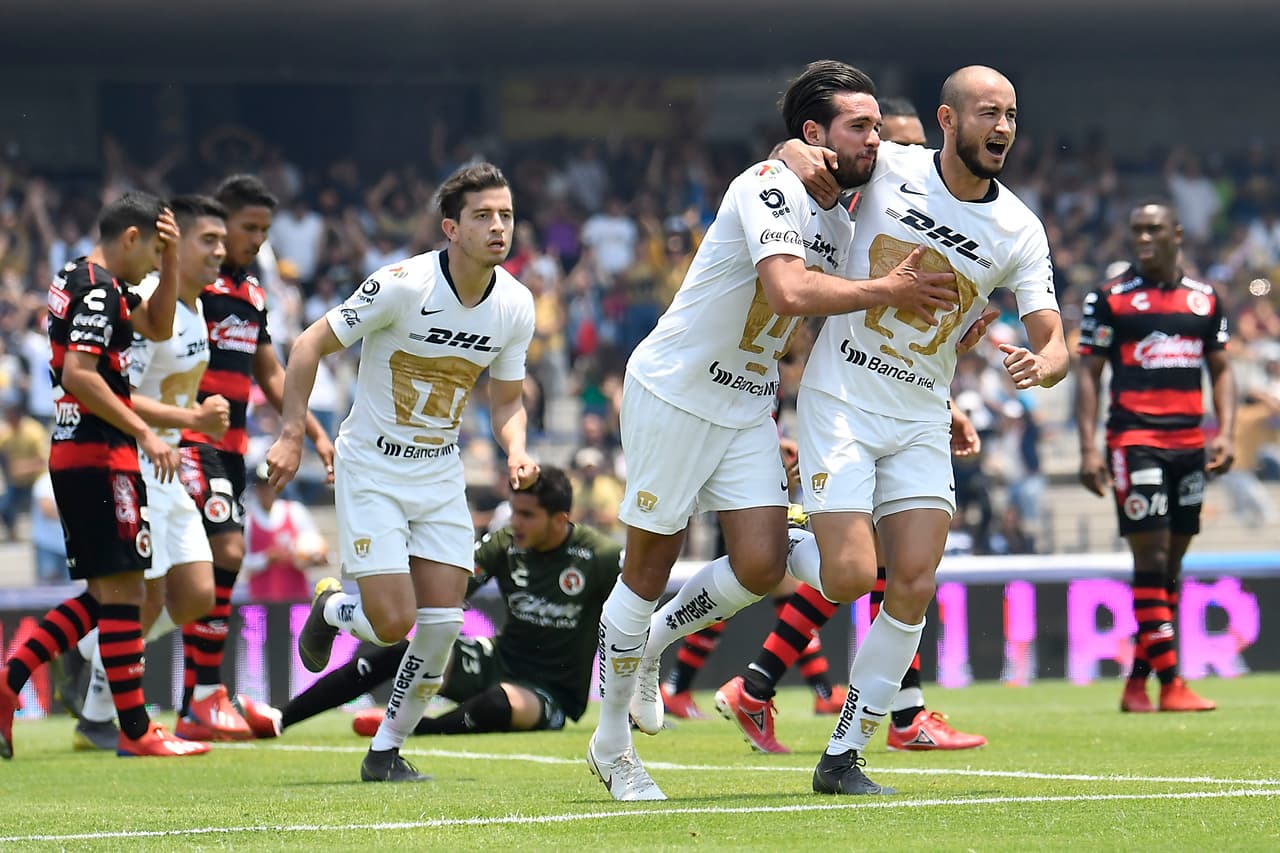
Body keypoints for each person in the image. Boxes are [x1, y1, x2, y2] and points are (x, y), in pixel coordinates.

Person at [588, 60, 960, 802]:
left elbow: (829, 325)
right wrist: (884, 284)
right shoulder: (765, 182)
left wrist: (932, 395)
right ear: (813, 133)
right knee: (648, 565)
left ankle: (656, 641)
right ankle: (611, 746)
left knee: (762, 565)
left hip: (749, 402)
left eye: (878, 128)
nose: (874, 140)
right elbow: (789, 291)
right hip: (676, 390)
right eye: (860, 126)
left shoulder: (844, 217)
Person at [773, 64, 1068, 795]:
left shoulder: (1018, 228)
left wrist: (1047, 363)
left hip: (920, 416)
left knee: (912, 580)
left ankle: (844, 755)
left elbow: (1054, 334)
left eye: (1011, 114)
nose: (1002, 127)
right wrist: (789, 155)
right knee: (847, 575)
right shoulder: (890, 167)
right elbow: (796, 156)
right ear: (947, 119)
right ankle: (762, 547)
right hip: (843, 395)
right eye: (987, 113)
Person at [712, 96, 988, 755]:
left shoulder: (912, 219)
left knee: (885, 565)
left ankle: (762, 686)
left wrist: (940, 390)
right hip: (838, 405)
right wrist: (785, 153)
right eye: (896, 145)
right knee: (868, 564)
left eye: (924, 145)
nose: (915, 160)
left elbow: (905, 339)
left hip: (889, 399)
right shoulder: (844, 216)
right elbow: (818, 319)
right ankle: (890, 710)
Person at [265, 162, 539, 783]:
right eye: (483, 216)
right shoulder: (400, 284)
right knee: (391, 622)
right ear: (451, 227)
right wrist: (290, 436)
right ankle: (333, 607)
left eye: (506, 215)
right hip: (373, 470)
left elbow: (508, 402)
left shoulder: (516, 305)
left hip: (440, 474)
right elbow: (308, 345)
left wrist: (515, 449)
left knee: (441, 628)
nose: (499, 227)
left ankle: (384, 752)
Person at [0, 192, 211, 759]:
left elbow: (160, 327)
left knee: (111, 594)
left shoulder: (92, 279)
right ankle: (136, 729)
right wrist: (143, 432)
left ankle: (12, 680)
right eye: (151, 253)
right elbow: (80, 374)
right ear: (130, 237)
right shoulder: (97, 288)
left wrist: (169, 262)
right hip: (98, 453)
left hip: (87, 453)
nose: (150, 269)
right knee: (121, 593)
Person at [275, 467, 618, 737]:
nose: (516, 523)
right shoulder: (506, 542)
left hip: (551, 690)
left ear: (560, 519)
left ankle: (419, 729)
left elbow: (633, 618)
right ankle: (280, 718)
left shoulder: (599, 556)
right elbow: (454, 587)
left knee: (499, 702)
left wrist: (629, 698)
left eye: (527, 515)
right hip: (497, 659)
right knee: (402, 651)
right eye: (514, 511)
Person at [70, 194, 234, 751]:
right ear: (172, 243)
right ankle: (104, 716)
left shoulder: (187, 308)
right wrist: (192, 418)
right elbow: (122, 393)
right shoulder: (126, 298)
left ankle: (98, 659)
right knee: (139, 600)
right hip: (136, 460)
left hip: (166, 461)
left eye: (222, 240)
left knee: (194, 596)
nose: (221, 251)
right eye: (208, 240)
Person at [174, 175, 334, 740]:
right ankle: (202, 696)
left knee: (180, 579)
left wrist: (311, 431)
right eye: (248, 228)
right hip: (187, 442)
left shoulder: (252, 292)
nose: (257, 240)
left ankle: (140, 691)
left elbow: (269, 371)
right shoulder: (189, 284)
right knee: (228, 551)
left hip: (230, 450)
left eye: (265, 230)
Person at [1076, 200, 1232, 714]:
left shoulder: (1205, 300)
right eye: (1137, 229)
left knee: (1172, 570)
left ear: (1177, 233)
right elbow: (1089, 375)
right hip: (1135, 440)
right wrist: (1088, 446)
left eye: (1153, 229)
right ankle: (1172, 684)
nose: (1143, 238)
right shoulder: (1110, 299)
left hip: (1190, 444)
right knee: (1154, 560)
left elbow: (1222, 370)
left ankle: (1137, 682)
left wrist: (1225, 432)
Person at [242, 460, 327, 603]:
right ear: (256, 489)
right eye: (262, 486)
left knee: (302, 626)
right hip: (261, 602)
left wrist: (311, 557)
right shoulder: (248, 520)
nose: (267, 490)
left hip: (297, 597)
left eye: (270, 485)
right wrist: (266, 559)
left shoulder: (295, 511)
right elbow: (243, 561)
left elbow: (315, 544)